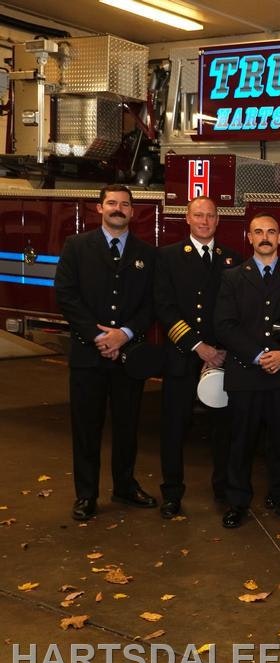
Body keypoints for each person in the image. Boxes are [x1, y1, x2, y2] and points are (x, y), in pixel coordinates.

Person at [55, 184, 158, 521]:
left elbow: (151, 304)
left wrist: (124, 334)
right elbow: (67, 295)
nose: (118, 208)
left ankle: (125, 486)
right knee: (86, 428)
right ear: (98, 208)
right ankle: (86, 495)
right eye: (111, 203)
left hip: (128, 356)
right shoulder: (77, 247)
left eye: (125, 204)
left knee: (127, 426)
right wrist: (99, 337)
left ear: (132, 211)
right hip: (88, 355)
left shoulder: (147, 253)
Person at [214, 213, 280, 529]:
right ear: (250, 237)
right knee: (240, 442)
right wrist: (258, 355)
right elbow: (224, 325)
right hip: (246, 374)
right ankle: (237, 502)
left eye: (271, 231)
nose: (265, 237)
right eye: (259, 232)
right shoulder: (232, 277)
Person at [154, 196, 240, 517]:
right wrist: (197, 346)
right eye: (198, 215)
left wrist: (222, 350)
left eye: (210, 216)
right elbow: (164, 307)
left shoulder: (231, 259)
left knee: (223, 431)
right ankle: (172, 493)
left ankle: (224, 491)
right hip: (183, 355)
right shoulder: (168, 257)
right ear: (187, 219)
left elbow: (237, 309)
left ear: (218, 221)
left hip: (221, 358)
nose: (204, 221)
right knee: (174, 428)